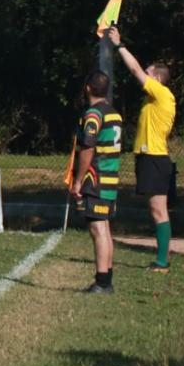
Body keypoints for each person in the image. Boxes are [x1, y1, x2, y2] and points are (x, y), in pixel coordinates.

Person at [106, 26, 175, 271]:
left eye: (149, 73)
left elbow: (135, 69)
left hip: (154, 159)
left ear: (156, 78)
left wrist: (119, 44)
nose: (144, 74)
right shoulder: (154, 98)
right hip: (150, 159)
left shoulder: (162, 93)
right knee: (157, 210)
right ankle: (162, 260)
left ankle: (162, 262)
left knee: (158, 211)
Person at [70, 70, 122, 293]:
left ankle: (102, 283)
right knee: (105, 228)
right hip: (111, 179)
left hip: (97, 178)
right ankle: (106, 277)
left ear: (88, 88)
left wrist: (79, 180)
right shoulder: (114, 113)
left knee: (98, 229)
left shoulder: (93, 115)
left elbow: (88, 147)